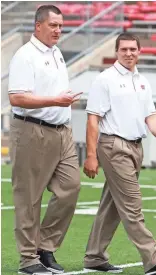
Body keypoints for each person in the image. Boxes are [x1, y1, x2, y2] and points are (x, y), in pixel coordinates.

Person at [83, 33, 156, 275]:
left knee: (112, 205)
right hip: (114, 146)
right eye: (124, 49)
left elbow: (151, 117)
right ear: (116, 51)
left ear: (140, 52)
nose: (128, 53)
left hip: (136, 147)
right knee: (131, 203)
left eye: (133, 49)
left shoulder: (142, 81)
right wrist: (91, 155)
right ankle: (153, 258)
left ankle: (94, 256)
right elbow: (93, 119)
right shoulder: (105, 80)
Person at [8, 5, 82, 275]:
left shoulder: (56, 53)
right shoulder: (25, 56)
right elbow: (17, 98)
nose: (58, 30)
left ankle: (45, 247)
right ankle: (28, 260)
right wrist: (56, 100)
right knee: (29, 197)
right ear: (38, 26)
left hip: (62, 131)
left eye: (61, 26)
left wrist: (61, 106)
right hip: (32, 130)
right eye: (53, 26)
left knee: (71, 187)